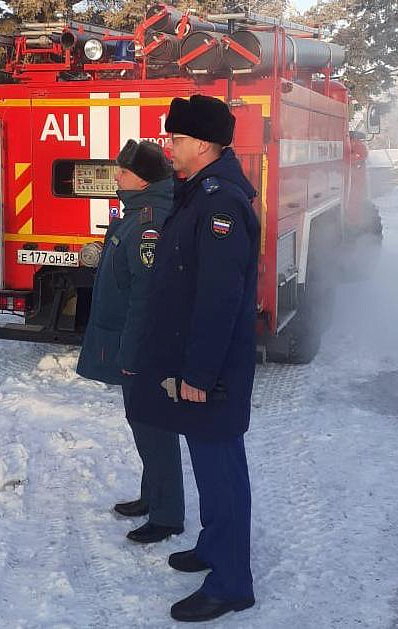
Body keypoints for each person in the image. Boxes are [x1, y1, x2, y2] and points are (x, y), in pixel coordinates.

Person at [125, 95, 261, 622]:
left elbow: (219, 298)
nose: (168, 146)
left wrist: (200, 373)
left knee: (221, 467)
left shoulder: (219, 203)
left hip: (212, 371)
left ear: (203, 144)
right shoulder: (197, 193)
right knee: (207, 461)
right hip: (193, 364)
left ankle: (231, 583)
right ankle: (212, 547)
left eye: (176, 138)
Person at [76, 139, 185, 544]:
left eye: (122, 170)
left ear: (142, 178)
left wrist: (133, 354)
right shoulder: (136, 213)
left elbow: (146, 297)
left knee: (153, 427)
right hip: (129, 340)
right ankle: (151, 495)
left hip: (143, 348)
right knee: (142, 423)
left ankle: (168, 514)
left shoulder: (148, 222)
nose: (116, 175)